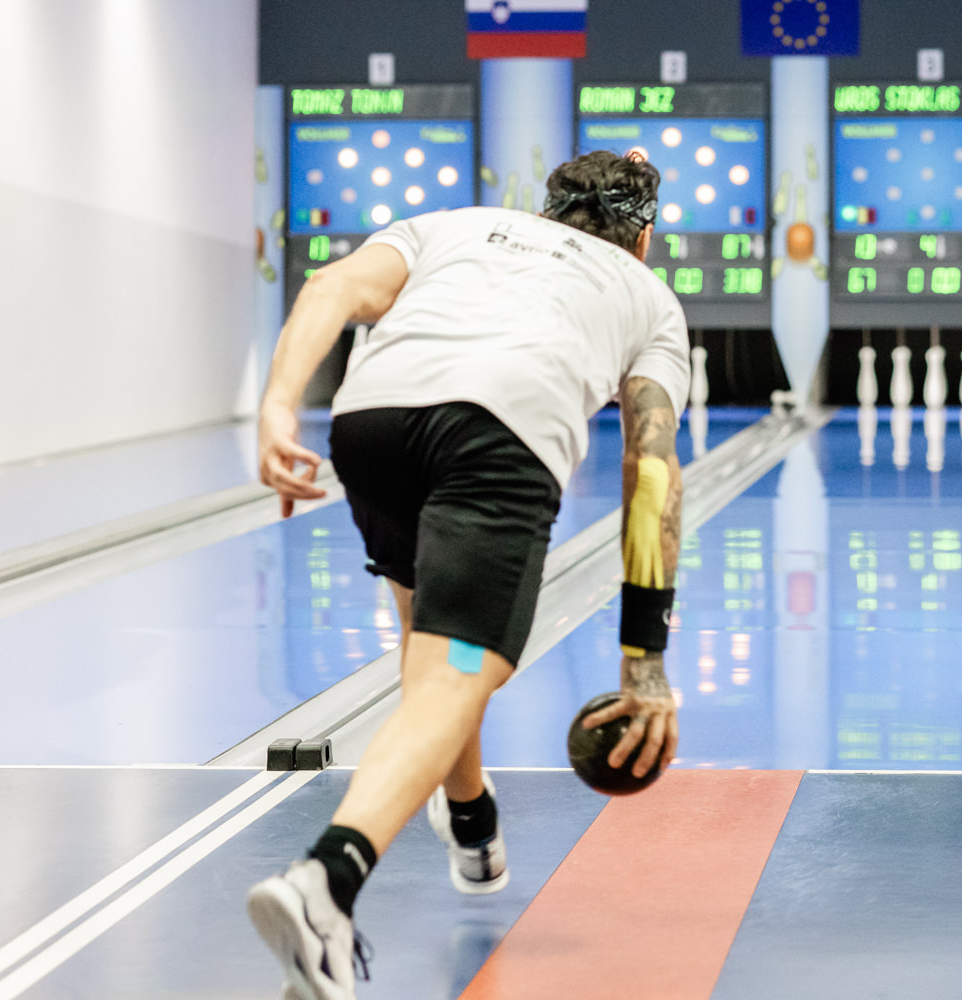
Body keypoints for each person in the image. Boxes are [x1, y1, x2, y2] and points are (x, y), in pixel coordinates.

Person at [245, 151, 690, 998]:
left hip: (370, 425)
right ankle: (325, 885)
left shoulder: (454, 227)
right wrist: (645, 659)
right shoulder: (649, 297)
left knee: (434, 644)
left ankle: (470, 813)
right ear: (644, 240)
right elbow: (653, 471)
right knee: (456, 670)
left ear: (544, 210)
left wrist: (276, 406)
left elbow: (331, 288)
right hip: (498, 434)